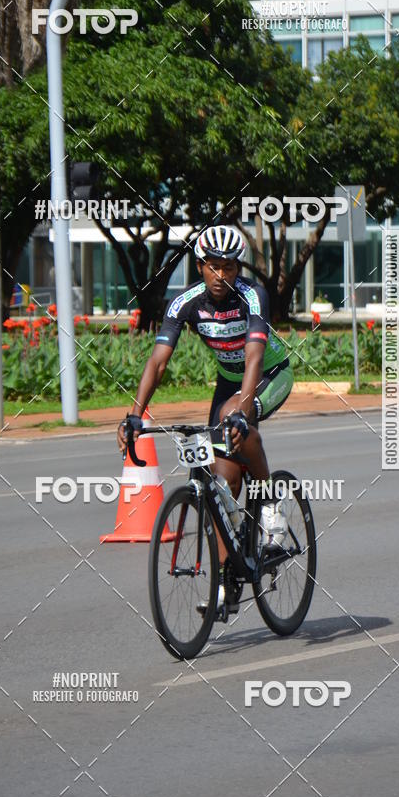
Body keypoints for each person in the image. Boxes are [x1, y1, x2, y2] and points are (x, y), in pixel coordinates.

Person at [117, 225, 294, 612]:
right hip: (228, 382)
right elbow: (158, 362)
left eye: (228, 267)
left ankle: (271, 506)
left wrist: (243, 413)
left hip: (268, 375)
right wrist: (134, 416)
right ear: (200, 266)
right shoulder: (185, 303)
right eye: (213, 266)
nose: (220, 275)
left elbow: (254, 357)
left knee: (234, 417)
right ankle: (226, 583)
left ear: (237, 268)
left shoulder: (253, 295)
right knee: (221, 483)